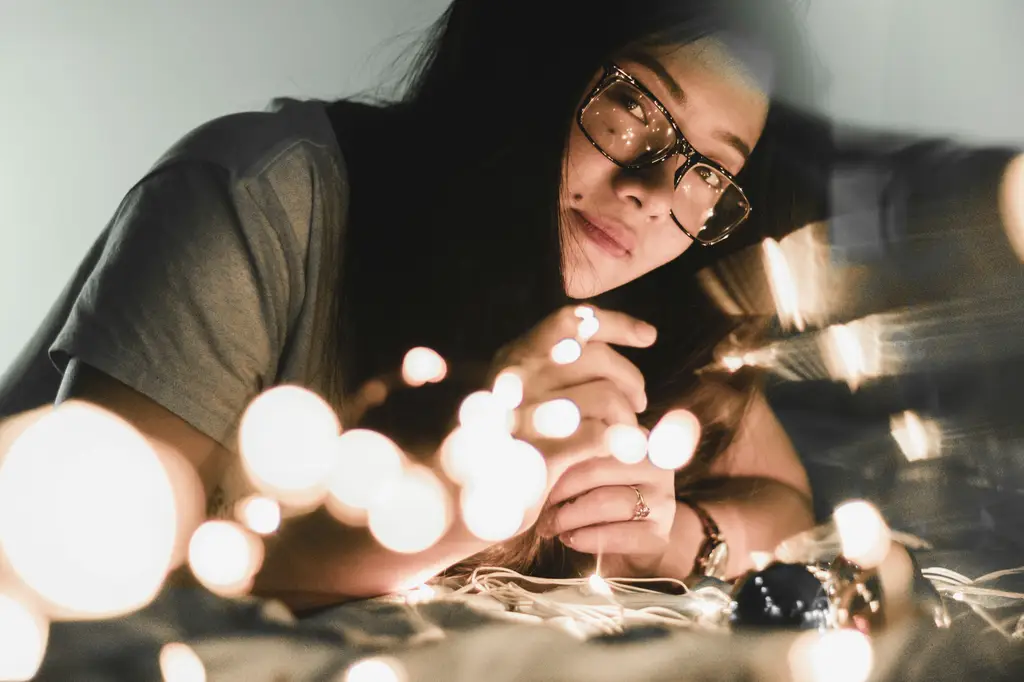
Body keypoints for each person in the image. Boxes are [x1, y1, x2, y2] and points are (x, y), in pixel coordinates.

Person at [0, 0, 1021, 611]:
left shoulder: (643, 302)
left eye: (711, 169)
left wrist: (682, 538)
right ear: (534, 65)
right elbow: (111, 573)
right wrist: (467, 492)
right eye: (636, 105)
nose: (656, 191)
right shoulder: (261, 193)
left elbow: (782, 503)